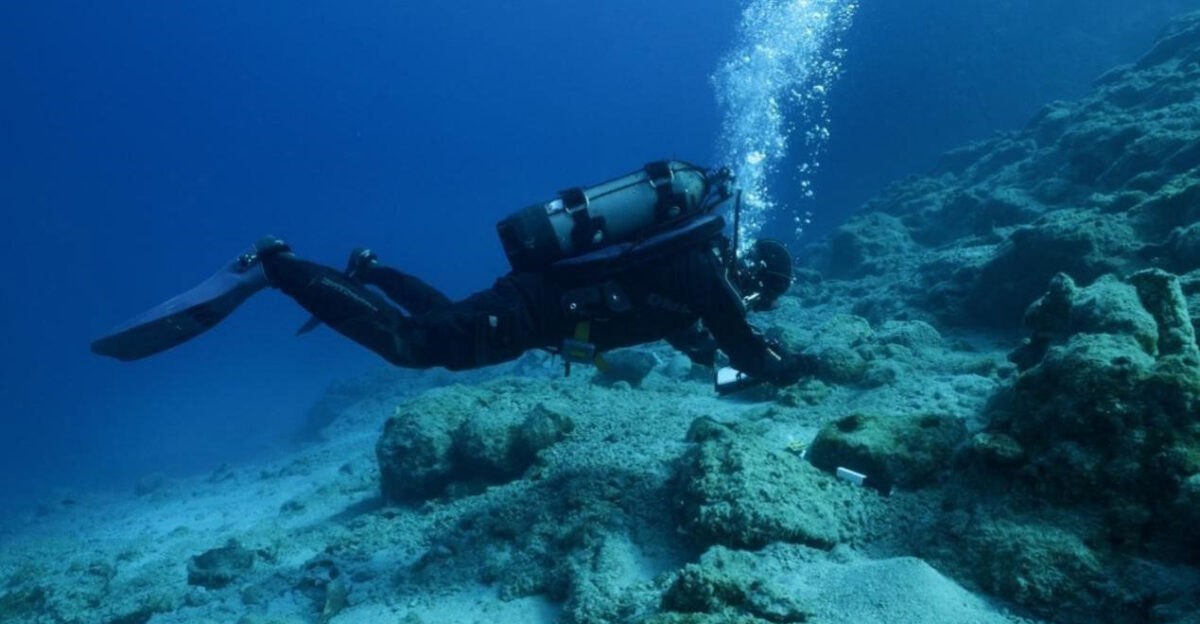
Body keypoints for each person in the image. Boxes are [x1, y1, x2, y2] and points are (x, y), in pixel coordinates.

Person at [91, 161, 809, 389]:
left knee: (438, 323)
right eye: (759, 291)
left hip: (535, 312)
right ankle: (275, 268)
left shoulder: (686, 277)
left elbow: (704, 342)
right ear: (751, 271)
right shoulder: (700, 269)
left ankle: (371, 269)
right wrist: (792, 368)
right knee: (416, 346)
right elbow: (740, 340)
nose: (752, 301)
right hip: (535, 314)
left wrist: (729, 357)